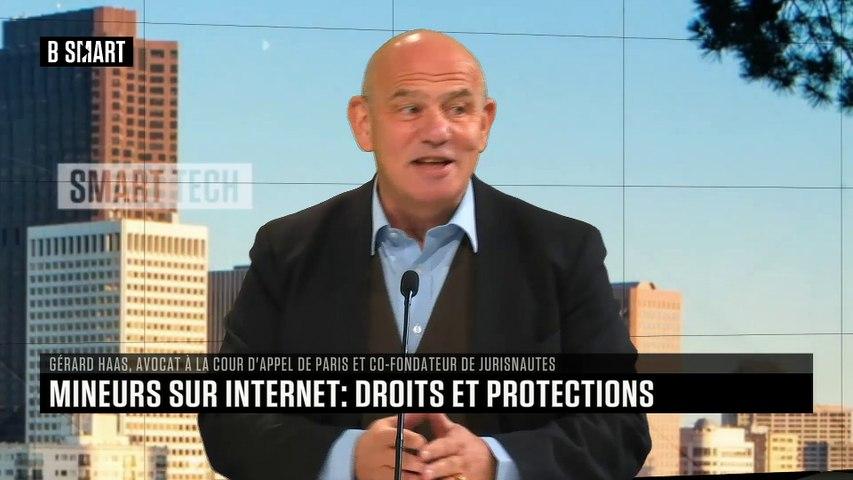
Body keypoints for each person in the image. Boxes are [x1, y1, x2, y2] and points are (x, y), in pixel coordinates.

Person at [199, 29, 650, 480]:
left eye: (458, 109)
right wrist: (347, 456)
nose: (437, 132)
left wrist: (495, 461)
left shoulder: (564, 252)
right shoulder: (287, 250)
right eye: (410, 109)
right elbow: (228, 419)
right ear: (364, 123)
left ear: (485, 123)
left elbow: (619, 427)